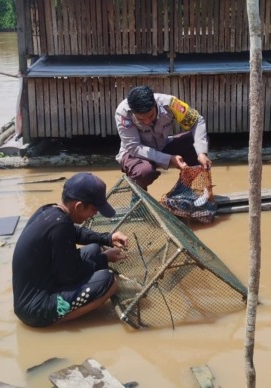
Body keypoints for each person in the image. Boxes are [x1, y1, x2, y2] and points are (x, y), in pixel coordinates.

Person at [12, 172, 129, 327]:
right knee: (109, 281)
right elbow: (70, 276)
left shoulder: (49, 211)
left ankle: (59, 308)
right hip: (35, 310)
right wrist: (104, 259)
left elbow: (77, 232)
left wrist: (108, 238)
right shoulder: (60, 226)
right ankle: (54, 319)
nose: (94, 214)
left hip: (41, 286)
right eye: (94, 210)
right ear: (79, 206)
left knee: (94, 249)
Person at [115, 85, 212, 191]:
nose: (147, 121)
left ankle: (186, 192)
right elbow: (134, 147)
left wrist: (201, 152)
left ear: (155, 105)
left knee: (195, 142)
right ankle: (138, 201)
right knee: (144, 172)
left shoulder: (170, 103)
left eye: (151, 116)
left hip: (163, 145)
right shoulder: (123, 113)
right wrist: (169, 158)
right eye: (141, 120)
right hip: (135, 154)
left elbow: (197, 121)